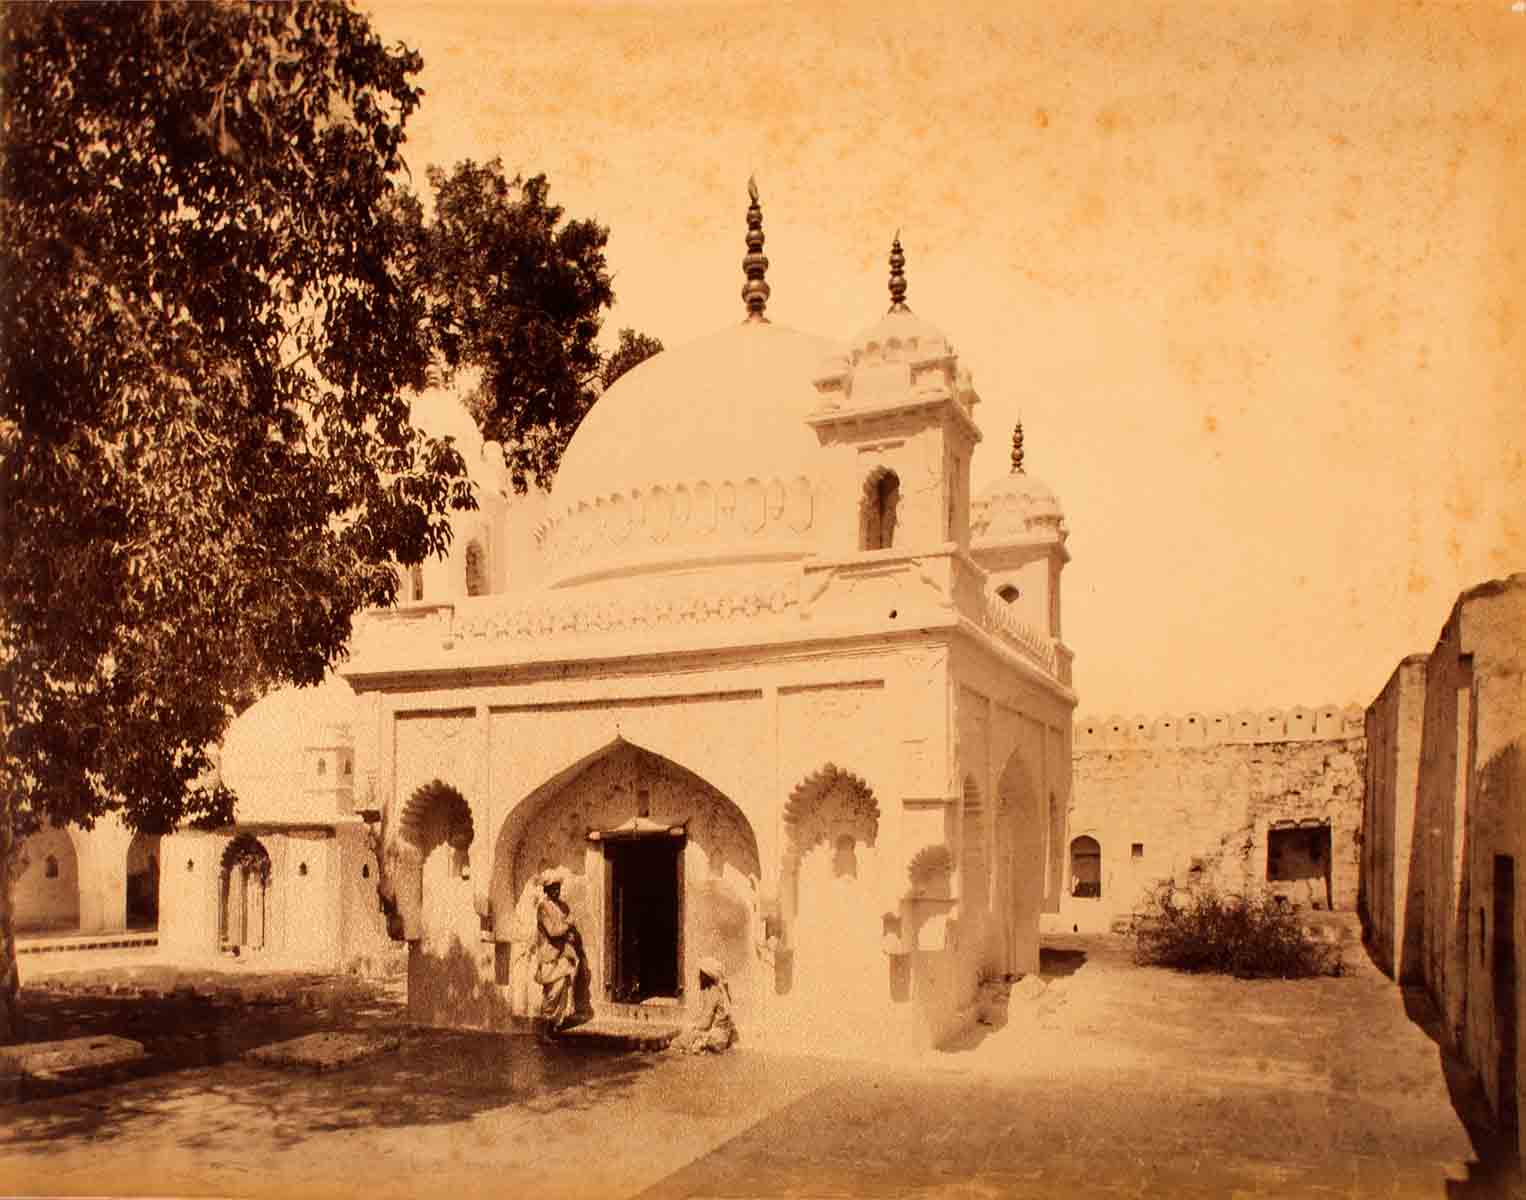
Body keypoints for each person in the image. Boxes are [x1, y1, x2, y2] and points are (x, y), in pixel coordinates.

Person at [533, 868, 581, 1033]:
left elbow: (568, 929)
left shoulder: (561, 906)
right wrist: (568, 924)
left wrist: (570, 932)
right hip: (549, 955)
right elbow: (553, 932)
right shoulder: (543, 908)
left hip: (562, 954)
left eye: (558, 887)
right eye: (553, 888)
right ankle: (544, 1028)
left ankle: (554, 1026)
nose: (556, 891)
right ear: (546, 890)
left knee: (562, 989)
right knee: (552, 992)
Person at [671, 955, 737, 1054]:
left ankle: (703, 1047)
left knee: (679, 1041)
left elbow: (706, 1022)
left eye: (702, 974)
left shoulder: (713, 993)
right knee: (684, 1038)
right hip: (717, 1033)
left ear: (708, 976)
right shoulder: (709, 991)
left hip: (717, 1035)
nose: (699, 977)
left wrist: (692, 1027)